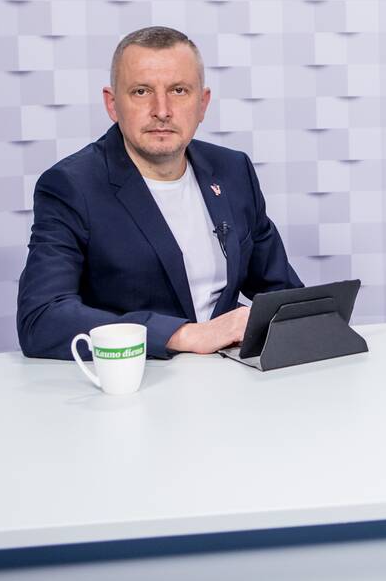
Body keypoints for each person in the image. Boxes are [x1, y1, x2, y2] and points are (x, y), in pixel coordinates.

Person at [17, 26, 303, 359]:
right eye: (141, 92)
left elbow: (282, 293)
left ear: (202, 103)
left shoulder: (233, 170)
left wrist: (318, 323)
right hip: (136, 379)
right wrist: (183, 335)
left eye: (179, 91)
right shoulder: (71, 186)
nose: (162, 110)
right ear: (112, 104)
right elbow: (42, 319)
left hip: (230, 375)